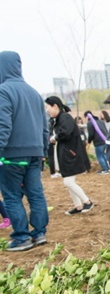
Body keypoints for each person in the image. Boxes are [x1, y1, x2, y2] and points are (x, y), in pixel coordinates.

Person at [0, 51, 49, 251]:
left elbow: (3, 125)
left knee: (11, 196)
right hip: (35, 153)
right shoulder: (34, 92)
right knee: (36, 194)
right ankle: (39, 233)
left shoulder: (3, 91)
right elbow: (44, 126)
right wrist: (43, 149)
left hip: (11, 154)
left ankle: (21, 237)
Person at [45, 96, 94, 216]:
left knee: (68, 181)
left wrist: (55, 137)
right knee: (68, 180)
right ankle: (78, 206)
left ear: (55, 106)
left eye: (48, 107)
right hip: (67, 155)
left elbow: (65, 132)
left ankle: (87, 201)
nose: (47, 110)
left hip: (71, 155)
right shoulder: (59, 119)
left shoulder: (65, 117)